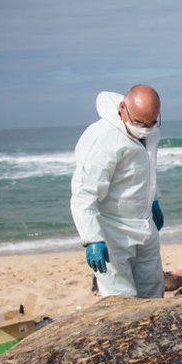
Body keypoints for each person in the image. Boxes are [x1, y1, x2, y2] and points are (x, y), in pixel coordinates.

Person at [70, 85, 165, 298]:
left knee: (153, 289)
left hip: (144, 223)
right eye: (140, 123)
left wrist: (153, 200)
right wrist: (92, 238)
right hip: (113, 228)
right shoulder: (103, 139)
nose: (146, 129)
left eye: (152, 123)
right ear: (123, 108)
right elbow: (84, 193)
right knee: (121, 296)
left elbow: (147, 168)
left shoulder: (149, 130)